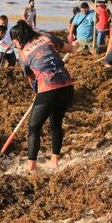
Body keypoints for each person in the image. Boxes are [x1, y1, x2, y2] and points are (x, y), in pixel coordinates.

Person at [9, 20, 78, 172]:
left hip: (49, 89)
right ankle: (54, 161)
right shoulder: (47, 37)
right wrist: (75, 45)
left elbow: (31, 79)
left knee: (34, 128)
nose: (13, 44)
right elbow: (71, 49)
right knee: (56, 123)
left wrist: (37, 92)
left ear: (19, 37)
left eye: (13, 40)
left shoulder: (23, 55)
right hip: (67, 86)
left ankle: (31, 166)